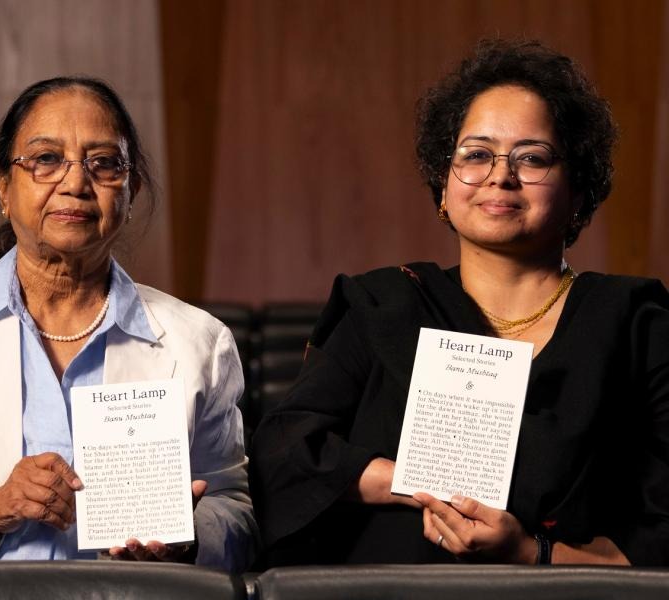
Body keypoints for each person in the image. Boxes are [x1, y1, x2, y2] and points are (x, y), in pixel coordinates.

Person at [250, 39, 669, 567]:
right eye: (476, 154)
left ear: (579, 190)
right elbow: (284, 453)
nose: (500, 175)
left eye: (532, 158)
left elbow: (659, 537)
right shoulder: (382, 305)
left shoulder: (637, 324)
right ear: (443, 190)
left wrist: (530, 553)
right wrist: (420, 484)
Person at [0, 76, 256, 572]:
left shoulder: (200, 342)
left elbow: (235, 513)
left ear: (131, 191)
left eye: (103, 163)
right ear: (4, 188)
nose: (75, 183)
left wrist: (188, 538)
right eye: (47, 159)